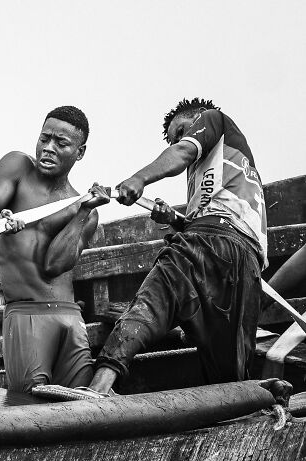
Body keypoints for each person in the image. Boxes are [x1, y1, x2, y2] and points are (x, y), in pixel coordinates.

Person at [89, 98, 268, 395]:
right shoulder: (227, 171)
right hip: (245, 264)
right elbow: (219, 220)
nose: (179, 140)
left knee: (153, 300)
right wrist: (175, 219)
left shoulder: (213, 119)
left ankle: (99, 386)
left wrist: (139, 178)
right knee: (229, 374)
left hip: (213, 241)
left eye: (183, 131)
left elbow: (184, 151)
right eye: (174, 138)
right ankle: (237, 412)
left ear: (197, 120)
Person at [0, 106, 109, 393]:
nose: (48, 148)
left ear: (80, 152)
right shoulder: (16, 167)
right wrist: (1, 221)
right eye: (44, 138)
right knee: (29, 406)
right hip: (26, 313)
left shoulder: (82, 207)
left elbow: (54, 265)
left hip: (70, 317)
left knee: (82, 407)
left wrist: (83, 212)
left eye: (61, 144)